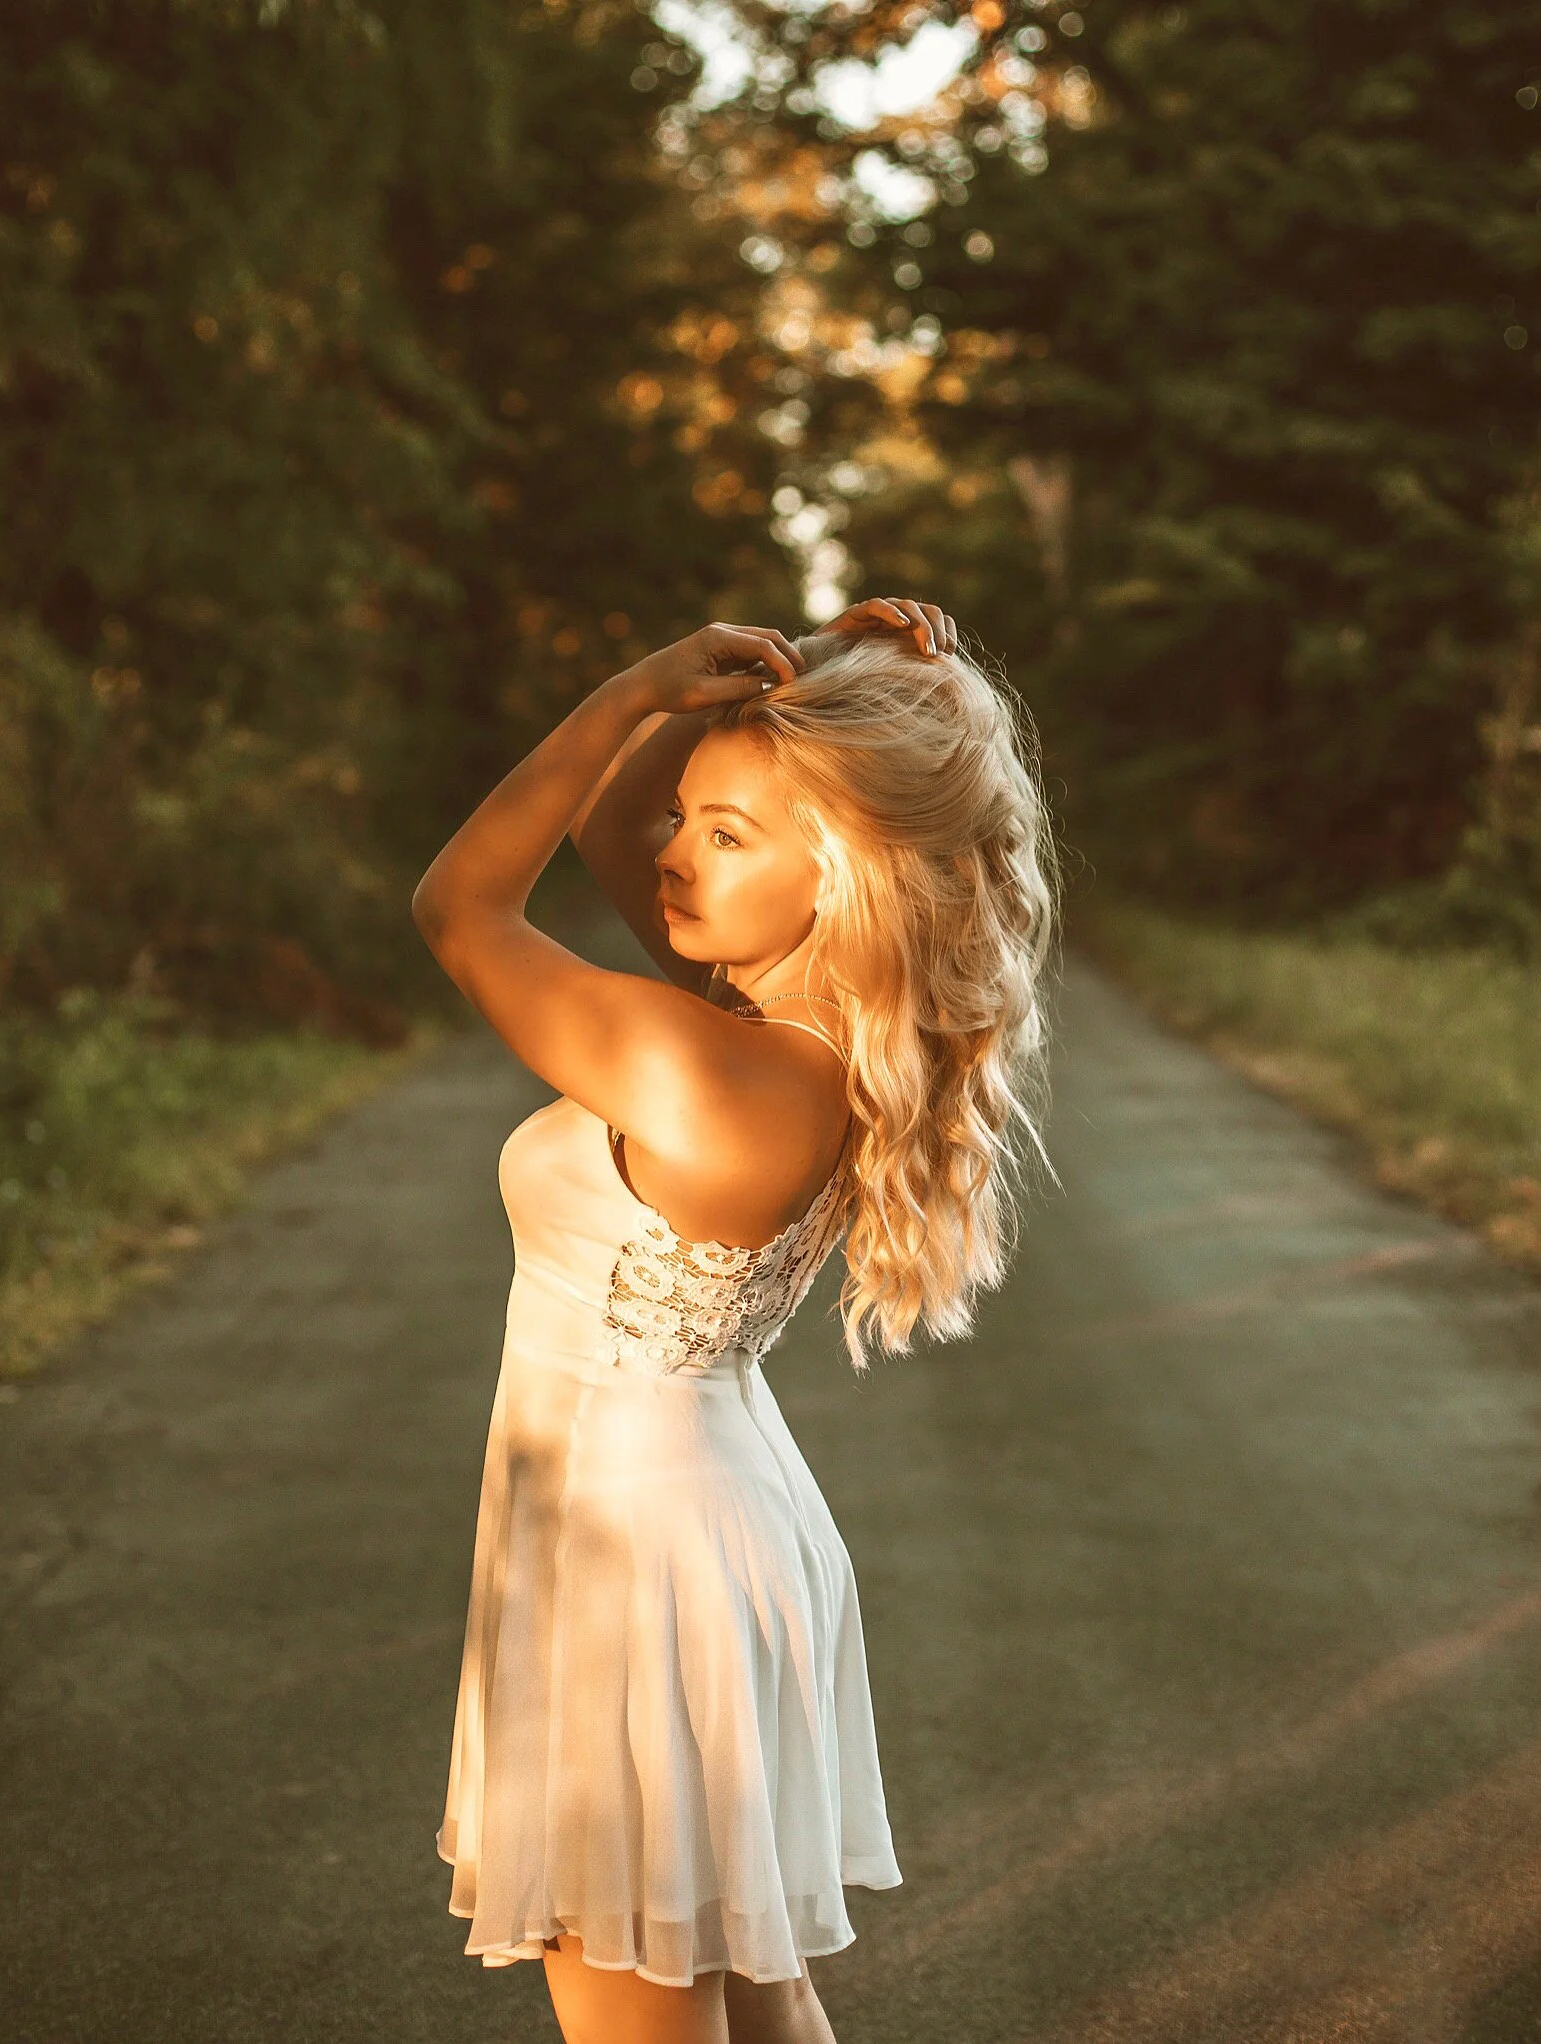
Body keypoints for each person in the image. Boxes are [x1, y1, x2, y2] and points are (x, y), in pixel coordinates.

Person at [412, 595, 1059, 2044]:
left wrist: (627, 689)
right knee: (758, 2004)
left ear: (844, 876)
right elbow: (604, 832)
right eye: (690, 820)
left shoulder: (706, 1070)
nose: (672, 851)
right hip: (691, 1516)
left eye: (729, 835)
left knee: (653, 1998)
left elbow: (460, 908)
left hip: (636, 1560)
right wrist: (791, 679)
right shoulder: (793, 1030)